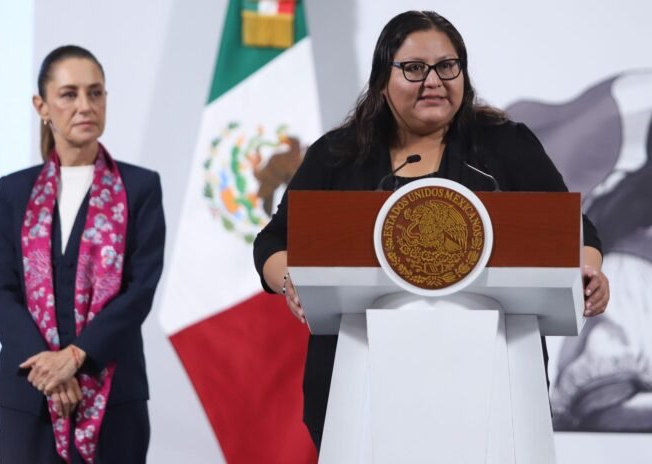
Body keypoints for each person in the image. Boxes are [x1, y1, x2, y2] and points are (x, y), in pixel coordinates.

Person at [253, 10, 610, 451]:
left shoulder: (505, 146)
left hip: (491, 381)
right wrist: (290, 279)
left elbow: (572, 229)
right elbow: (274, 241)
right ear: (382, 79)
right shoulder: (338, 154)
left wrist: (588, 270)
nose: (434, 81)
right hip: (359, 374)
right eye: (414, 68)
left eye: (447, 66)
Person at [0, 45, 165, 463]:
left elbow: (140, 290)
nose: (85, 105)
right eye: (69, 94)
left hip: (115, 396)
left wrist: (76, 358)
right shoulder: (14, 191)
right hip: (28, 394)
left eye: (95, 93)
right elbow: (1, 289)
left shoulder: (140, 188)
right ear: (42, 106)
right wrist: (48, 370)